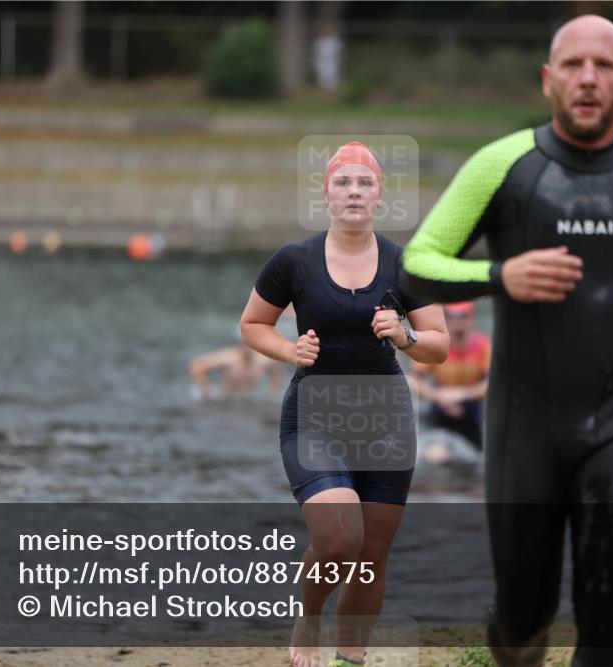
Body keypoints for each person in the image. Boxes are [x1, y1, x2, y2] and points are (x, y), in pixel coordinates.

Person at [398, 15, 613, 667]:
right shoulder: (502, 166)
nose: (589, 78)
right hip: (523, 422)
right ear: (548, 79)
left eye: (605, 66)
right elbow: (416, 265)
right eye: (574, 65)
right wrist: (502, 275)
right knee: (526, 618)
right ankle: (513, 631)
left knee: (605, 615)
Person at [240, 141, 449, 667]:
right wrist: (291, 349)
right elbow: (251, 325)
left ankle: (349, 659)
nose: (354, 192)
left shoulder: (408, 265)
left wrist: (404, 336)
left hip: (387, 422)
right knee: (338, 539)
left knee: (371, 557)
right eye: (343, 183)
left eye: (365, 183)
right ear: (326, 195)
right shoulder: (293, 261)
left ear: (380, 195)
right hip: (314, 416)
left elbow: (439, 346)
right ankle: (309, 616)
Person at [408, 301, 491, 451]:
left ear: (471, 318)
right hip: (441, 407)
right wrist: (437, 396)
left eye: (463, 316)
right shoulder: (439, 347)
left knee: (477, 454)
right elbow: (412, 380)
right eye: (452, 317)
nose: (458, 322)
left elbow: (493, 383)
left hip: (470, 410)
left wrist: (463, 394)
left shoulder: (481, 345)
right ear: (447, 319)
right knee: (436, 453)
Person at [189, 332, 284, 401]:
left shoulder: (262, 360)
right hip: (227, 399)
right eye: (244, 343)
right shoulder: (229, 357)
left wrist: (273, 392)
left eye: (250, 344)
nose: (246, 347)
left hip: (252, 400)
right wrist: (206, 391)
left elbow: (277, 370)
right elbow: (197, 366)